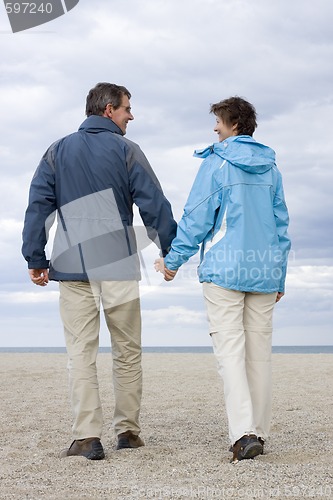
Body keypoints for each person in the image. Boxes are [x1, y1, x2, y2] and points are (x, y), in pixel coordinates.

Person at [22, 82, 177, 460]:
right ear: (109, 109)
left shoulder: (57, 151)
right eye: (127, 108)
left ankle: (87, 437)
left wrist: (35, 257)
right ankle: (128, 432)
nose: (131, 115)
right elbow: (153, 204)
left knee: (80, 352)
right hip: (118, 263)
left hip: (72, 265)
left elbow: (38, 205)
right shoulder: (127, 150)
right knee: (127, 351)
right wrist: (170, 251)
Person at [155, 96, 291, 463]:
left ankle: (245, 434)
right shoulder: (271, 168)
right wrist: (279, 275)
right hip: (263, 271)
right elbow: (280, 227)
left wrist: (173, 260)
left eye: (218, 121)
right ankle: (258, 432)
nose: (214, 128)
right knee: (259, 355)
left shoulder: (217, 162)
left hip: (224, 271)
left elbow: (198, 216)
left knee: (231, 353)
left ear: (232, 124)